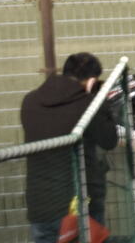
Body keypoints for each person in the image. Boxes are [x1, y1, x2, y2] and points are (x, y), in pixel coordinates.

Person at [20, 52, 120, 243]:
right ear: (91, 81)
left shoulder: (30, 101)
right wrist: (100, 102)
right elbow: (109, 140)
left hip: (40, 207)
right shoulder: (86, 106)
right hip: (79, 208)